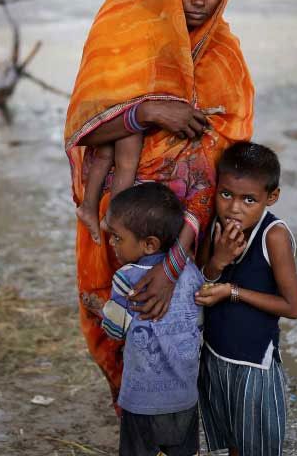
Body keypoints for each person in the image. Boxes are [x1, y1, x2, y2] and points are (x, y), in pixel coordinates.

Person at [64, 0, 255, 407]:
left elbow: (218, 167)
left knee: (178, 328)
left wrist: (173, 265)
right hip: (120, 222)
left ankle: (173, 418)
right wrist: (147, 112)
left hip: (188, 226)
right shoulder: (131, 34)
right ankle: (131, 413)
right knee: (118, 319)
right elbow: (84, 123)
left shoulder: (224, 54)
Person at [194, 142, 297, 456]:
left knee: (256, 445)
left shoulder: (274, 236)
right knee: (234, 443)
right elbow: (202, 280)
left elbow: (293, 307)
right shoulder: (216, 224)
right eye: (226, 194)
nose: (234, 208)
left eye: (249, 200)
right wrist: (220, 260)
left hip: (254, 364)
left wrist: (233, 292)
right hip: (215, 356)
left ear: (271, 197)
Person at [100, 183, 203, 456]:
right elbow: (199, 321)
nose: (112, 243)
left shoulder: (126, 278)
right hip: (184, 397)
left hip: (141, 400)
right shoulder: (192, 273)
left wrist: (102, 309)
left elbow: (114, 330)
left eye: (117, 238)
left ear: (149, 244)